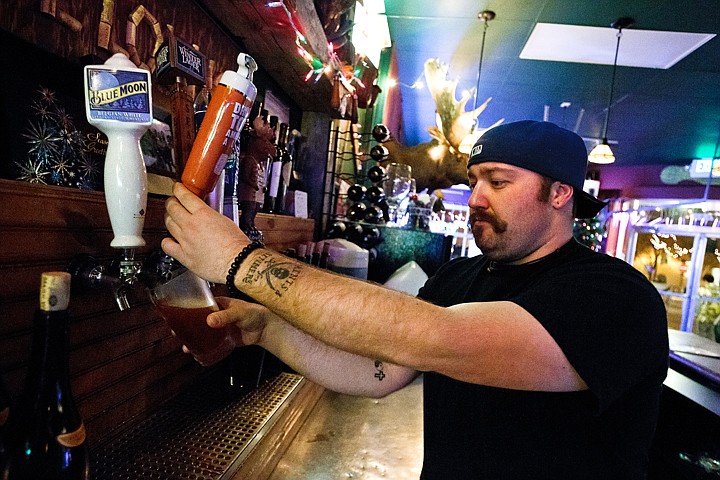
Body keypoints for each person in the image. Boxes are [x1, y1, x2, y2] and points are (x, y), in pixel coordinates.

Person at [163, 120, 668, 479]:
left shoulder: (615, 297)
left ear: (560, 194)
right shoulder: (458, 278)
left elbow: (439, 337)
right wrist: (266, 329)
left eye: (498, 181)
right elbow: (376, 370)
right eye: (474, 181)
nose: (474, 198)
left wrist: (244, 262)